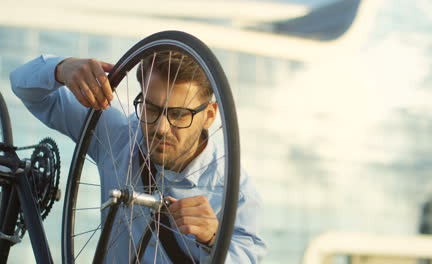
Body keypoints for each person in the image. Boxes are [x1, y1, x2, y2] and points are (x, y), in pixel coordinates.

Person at [10, 53, 266, 263]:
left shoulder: (237, 193)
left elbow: (247, 257)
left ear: (209, 115)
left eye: (178, 114)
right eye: (152, 108)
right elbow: (22, 86)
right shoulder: (118, 133)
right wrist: (60, 68)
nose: (162, 128)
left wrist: (213, 238)